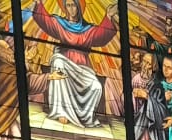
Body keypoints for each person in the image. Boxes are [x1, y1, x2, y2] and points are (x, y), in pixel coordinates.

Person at [32, 0, 117, 131]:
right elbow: (46, 21)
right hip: (64, 61)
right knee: (58, 62)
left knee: (96, 87)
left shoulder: (87, 29)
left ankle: (85, 117)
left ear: (79, 8)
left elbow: (101, 35)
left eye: (73, 6)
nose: (71, 9)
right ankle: (61, 111)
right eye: (68, 6)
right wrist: (38, 3)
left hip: (82, 68)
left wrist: (108, 17)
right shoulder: (60, 24)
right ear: (65, 7)